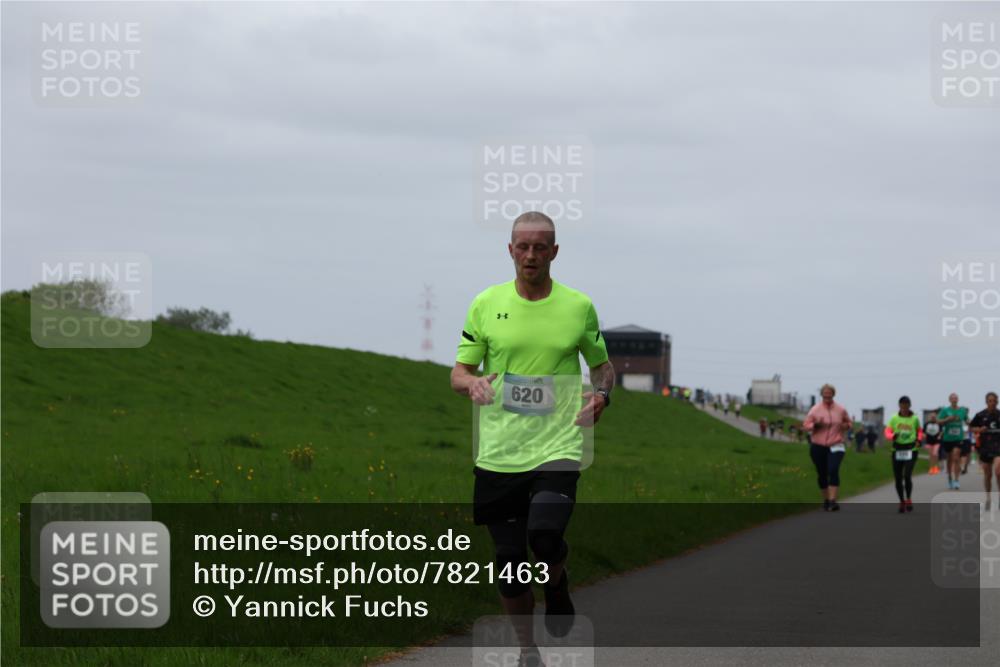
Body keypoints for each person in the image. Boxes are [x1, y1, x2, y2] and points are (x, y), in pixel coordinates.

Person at [451, 211, 614, 666]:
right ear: (510, 250)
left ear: (554, 252)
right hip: (500, 451)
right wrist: (473, 384)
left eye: (540, 247)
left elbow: (602, 366)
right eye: (522, 247)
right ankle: (527, 650)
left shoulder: (578, 306)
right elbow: (459, 373)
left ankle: (556, 582)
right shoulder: (486, 303)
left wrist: (602, 395)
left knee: (543, 535)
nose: (530, 255)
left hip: (559, 445)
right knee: (509, 560)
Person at [802, 384, 853, 511]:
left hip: (836, 444)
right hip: (818, 446)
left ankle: (832, 501)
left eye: (829, 393)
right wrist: (814, 426)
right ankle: (826, 499)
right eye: (825, 393)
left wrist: (846, 426)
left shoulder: (840, 409)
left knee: (833, 470)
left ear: (833, 394)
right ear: (821, 394)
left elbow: (849, 422)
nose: (827, 395)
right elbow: (806, 425)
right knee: (822, 474)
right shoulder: (815, 409)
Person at [887, 396, 921, 513]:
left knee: (907, 475)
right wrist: (892, 436)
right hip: (897, 449)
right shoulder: (894, 418)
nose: (904, 408)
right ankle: (902, 501)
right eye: (902, 405)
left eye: (906, 405)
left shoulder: (915, 418)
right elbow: (887, 431)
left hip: (911, 449)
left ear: (909, 405)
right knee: (898, 478)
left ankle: (908, 499)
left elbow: (919, 430)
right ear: (899, 406)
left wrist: (919, 439)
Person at [970, 392, 1000, 511]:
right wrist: (979, 429)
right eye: (990, 401)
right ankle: (988, 497)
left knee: (998, 472)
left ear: (997, 401)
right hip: (985, 447)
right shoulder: (980, 415)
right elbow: (971, 427)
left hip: (998, 447)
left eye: (994, 400)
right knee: (988, 475)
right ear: (986, 402)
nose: (992, 403)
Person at [938, 393, 970, 490]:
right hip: (948, 438)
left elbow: (967, 420)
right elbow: (938, 421)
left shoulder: (962, 410)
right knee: (949, 459)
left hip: (958, 438)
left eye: (956, 398)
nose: (954, 400)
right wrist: (947, 419)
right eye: (952, 398)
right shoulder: (945, 410)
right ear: (949, 400)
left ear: (958, 399)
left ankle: (956, 480)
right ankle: (950, 478)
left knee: (956, 457)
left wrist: (971, 423)